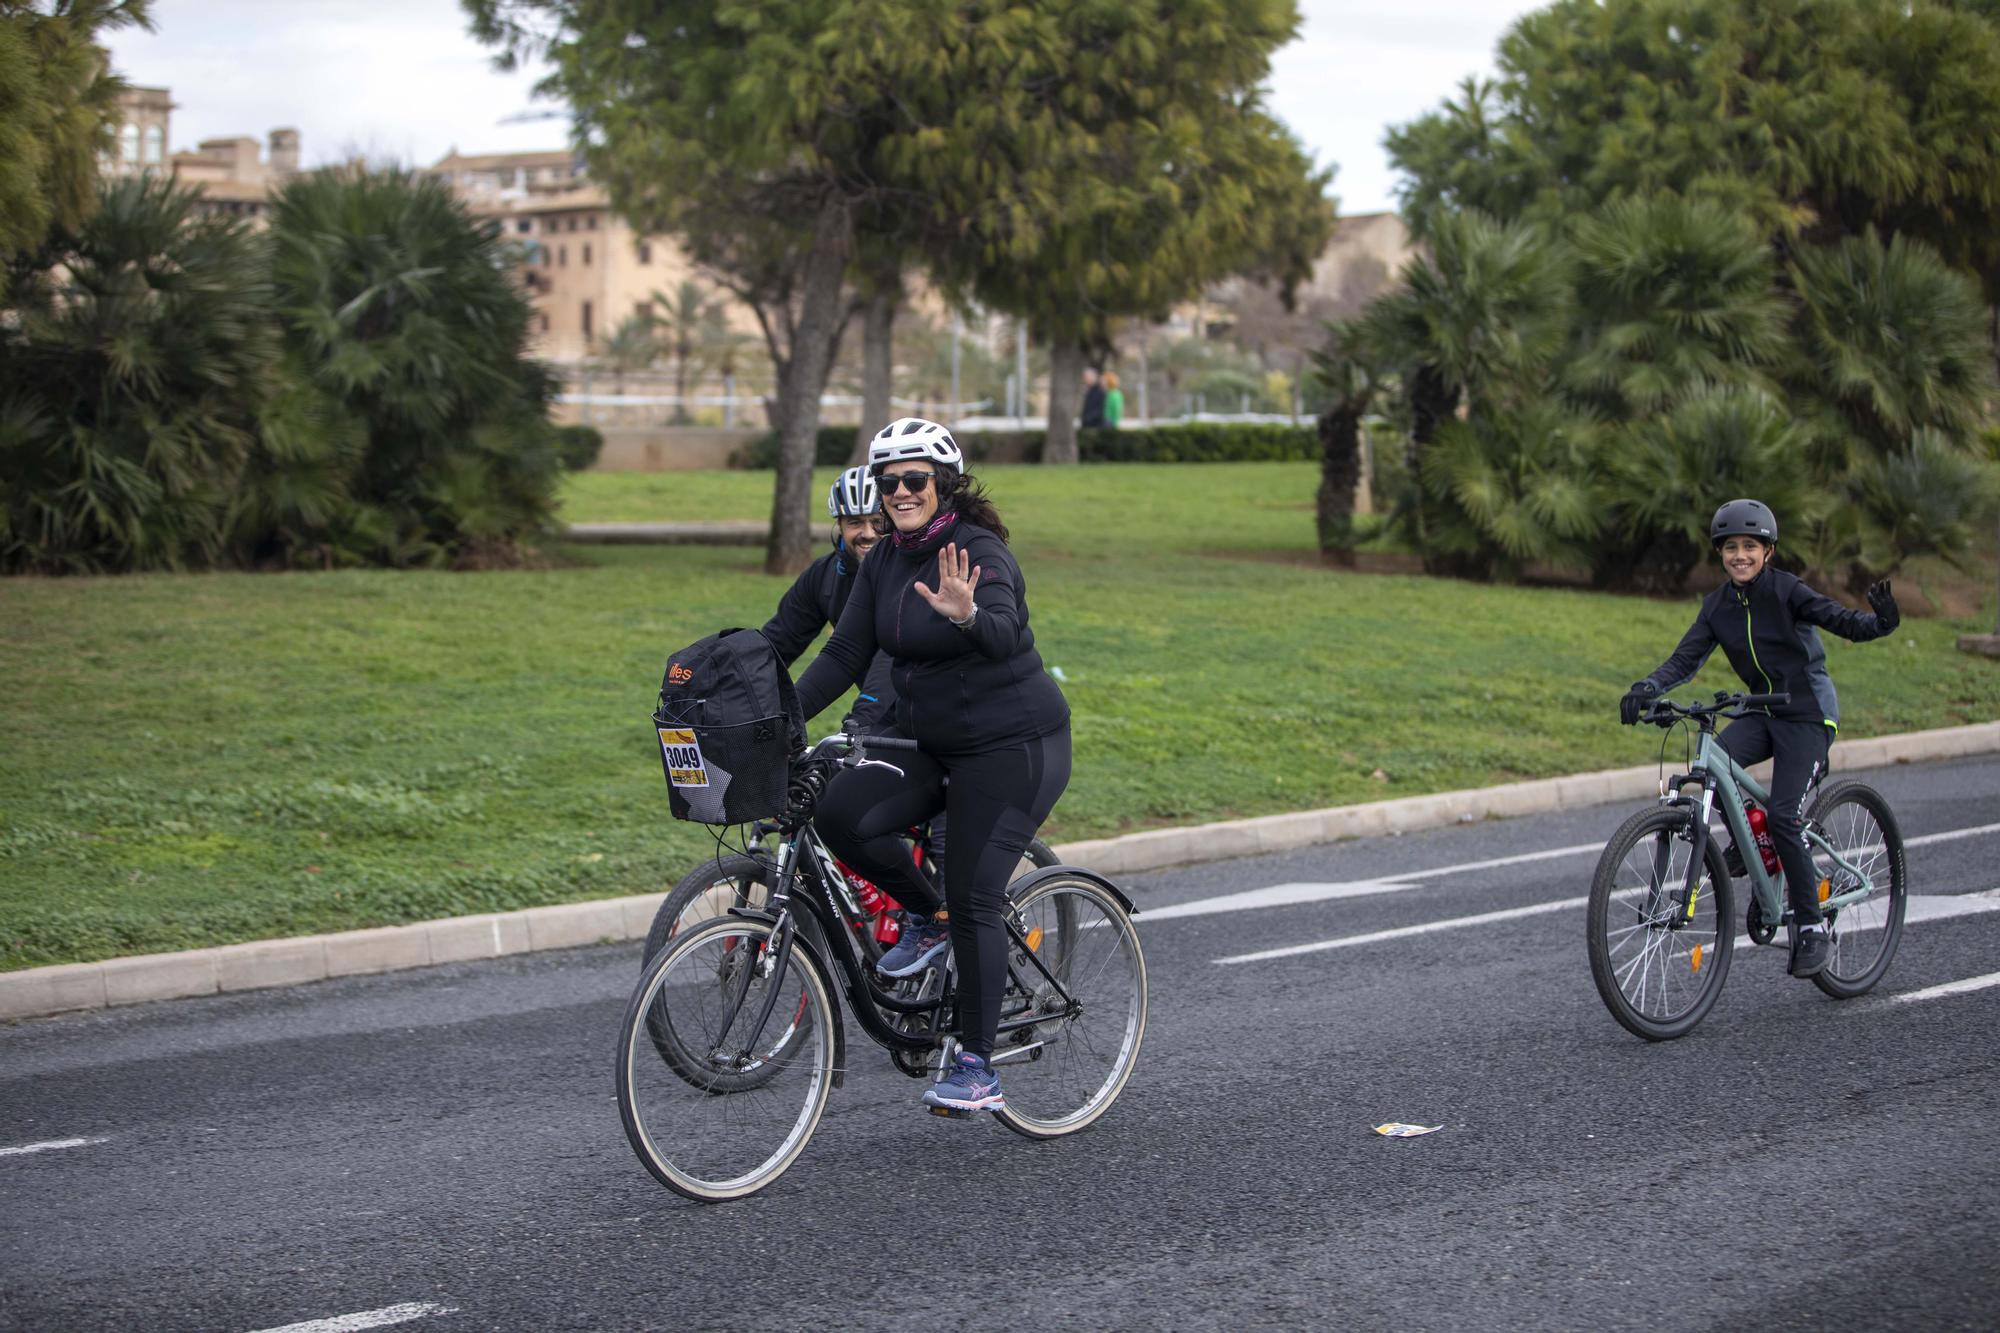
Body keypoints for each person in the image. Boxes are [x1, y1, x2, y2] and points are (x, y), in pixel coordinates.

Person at [796, 417, 1070, 1113]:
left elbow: (1006, 633)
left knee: (976, 890)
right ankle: (930, 915)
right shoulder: (884, 560)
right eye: (888, 483)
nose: (900, 493)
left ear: (943, 483)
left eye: (914, 479)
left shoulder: (976, 550)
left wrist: (968, 614)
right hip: (927, 741)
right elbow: (844, 655)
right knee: (839, 812)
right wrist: (781, 721)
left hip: (1012, 745)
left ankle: (978, 1064)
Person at [1620, 499, 1899, 979]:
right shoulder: (1717, 606)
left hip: (1807, 714)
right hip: (1761, 710)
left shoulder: (1787, 590)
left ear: (1768, 551)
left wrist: (1881, 623)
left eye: (1750, 546)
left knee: (1784, 815)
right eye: (1731, 547)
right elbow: (1684, 660)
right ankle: (1759, 846)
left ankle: (1810, 926)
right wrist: (1646, 688)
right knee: (1714, 766)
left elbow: (1839, 620)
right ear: (1721, 554)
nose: (1740, 555)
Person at [761, 466, 894, 732]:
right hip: (878, 719)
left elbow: (896, 654)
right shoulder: (825, 575)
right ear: (839, 525)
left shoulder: (912, 573)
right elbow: (777, 643)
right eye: (855, 522)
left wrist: (864, 715)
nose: (868, 533)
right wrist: (725, 684)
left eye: (878, 522)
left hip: (933, 713)